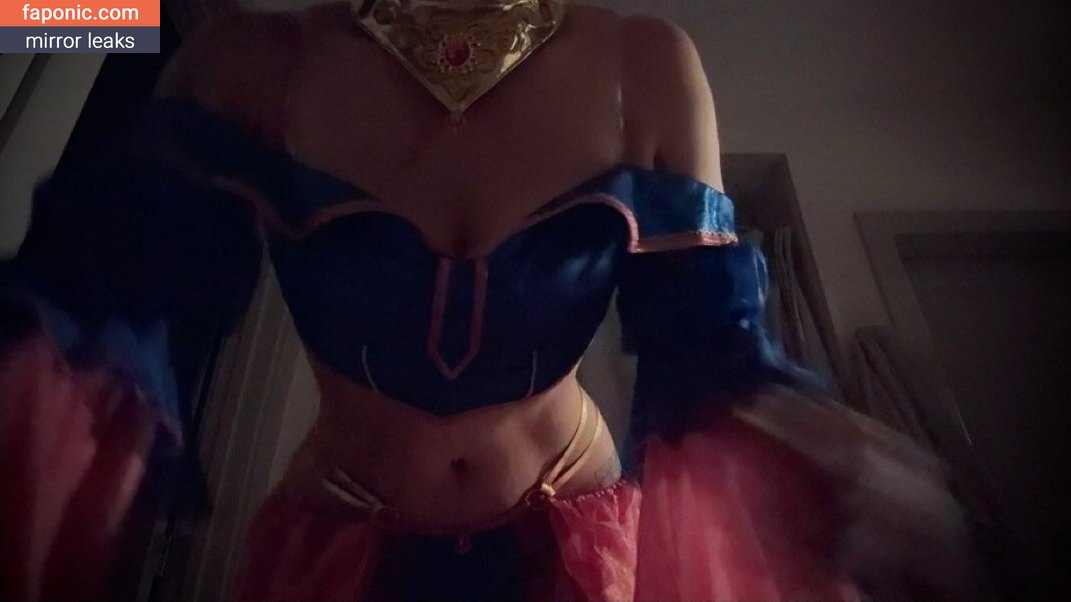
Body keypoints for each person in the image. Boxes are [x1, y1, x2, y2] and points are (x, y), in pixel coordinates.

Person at [0, 1, 977, 600]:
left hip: (573, 539)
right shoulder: (245, 61)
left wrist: (817, 440)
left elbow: (710, 346)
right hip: (342, 543)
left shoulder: (647, 64)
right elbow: (101, 309)